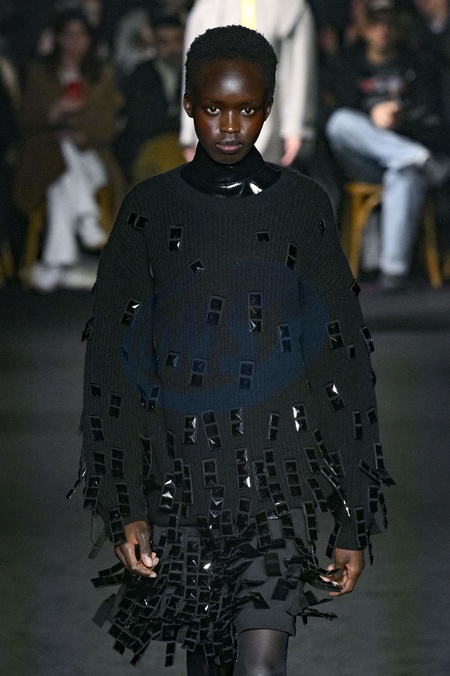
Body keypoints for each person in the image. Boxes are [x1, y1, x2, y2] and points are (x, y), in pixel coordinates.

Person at [78, 25, 393, 675]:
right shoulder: (149, 211)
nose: (229, 126)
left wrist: (353, 515)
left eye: (246, 109)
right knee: (211, 664)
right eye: (213, 108)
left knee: (259, 666)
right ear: (188, 106)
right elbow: (112, 365)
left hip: (277, 481)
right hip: (180, 484)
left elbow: (343, 362)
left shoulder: (301, 206)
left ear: (268, 109)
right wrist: (123, 503)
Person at [325, 0, 450, 290]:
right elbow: (338, 117)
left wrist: (402, 121)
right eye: (375, 22)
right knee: (340, 122)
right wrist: (372, 116)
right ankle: (419, 158)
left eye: (388, 22)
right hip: (363, 161)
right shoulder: (350, 64)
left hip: (403, 153)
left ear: (399, 26)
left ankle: (393, 272)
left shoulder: (419, 64)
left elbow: (436, 123)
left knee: (403, 173)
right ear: (364, 27)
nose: (382, 29)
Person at [12, 7, 125, 292]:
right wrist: (53, 113)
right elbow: (24, 123)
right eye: (68, 35)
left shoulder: (101, 76)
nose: (75, 42)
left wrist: (81, 135)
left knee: (62, 171)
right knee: (59, 168)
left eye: (81, 35)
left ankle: (55, 265)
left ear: (89, 40)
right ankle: (84, 222)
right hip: (44, 156)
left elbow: (107, 127)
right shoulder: (40, 74)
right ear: (58, 38)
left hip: (91, 159)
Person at [179, 0, 317, 167]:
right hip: (215, 122)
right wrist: (189, 134)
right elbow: (194, 70)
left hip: (271, 122)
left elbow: (298, 68)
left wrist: (296, 128)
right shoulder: (208, 7)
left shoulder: (290, 6)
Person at [115, 15, 185, 184]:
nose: (172, 49)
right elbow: (142, 123)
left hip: (185, 148)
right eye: (165, 42)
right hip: (149, 148)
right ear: (155, 44)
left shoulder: (194, 74)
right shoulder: (141, 75)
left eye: (177, 41)